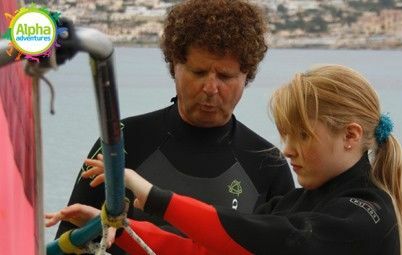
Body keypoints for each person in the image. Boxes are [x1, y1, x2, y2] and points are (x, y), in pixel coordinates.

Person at [47, 64, 402, 255]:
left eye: (302, 135)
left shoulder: (366, 214)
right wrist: (118, 228)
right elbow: (206, 249)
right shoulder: (300, 202)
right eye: (285, 135)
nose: (286, 149)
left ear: (350, 135)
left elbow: (282, 241)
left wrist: (155, 196)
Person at [56, 0, 295, 253]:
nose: (211, 88)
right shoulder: (121, 141)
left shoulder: (268, 164)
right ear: (175, 66)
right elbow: (68, 239)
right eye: (199, 72)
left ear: (247, 76)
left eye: (225, 76)